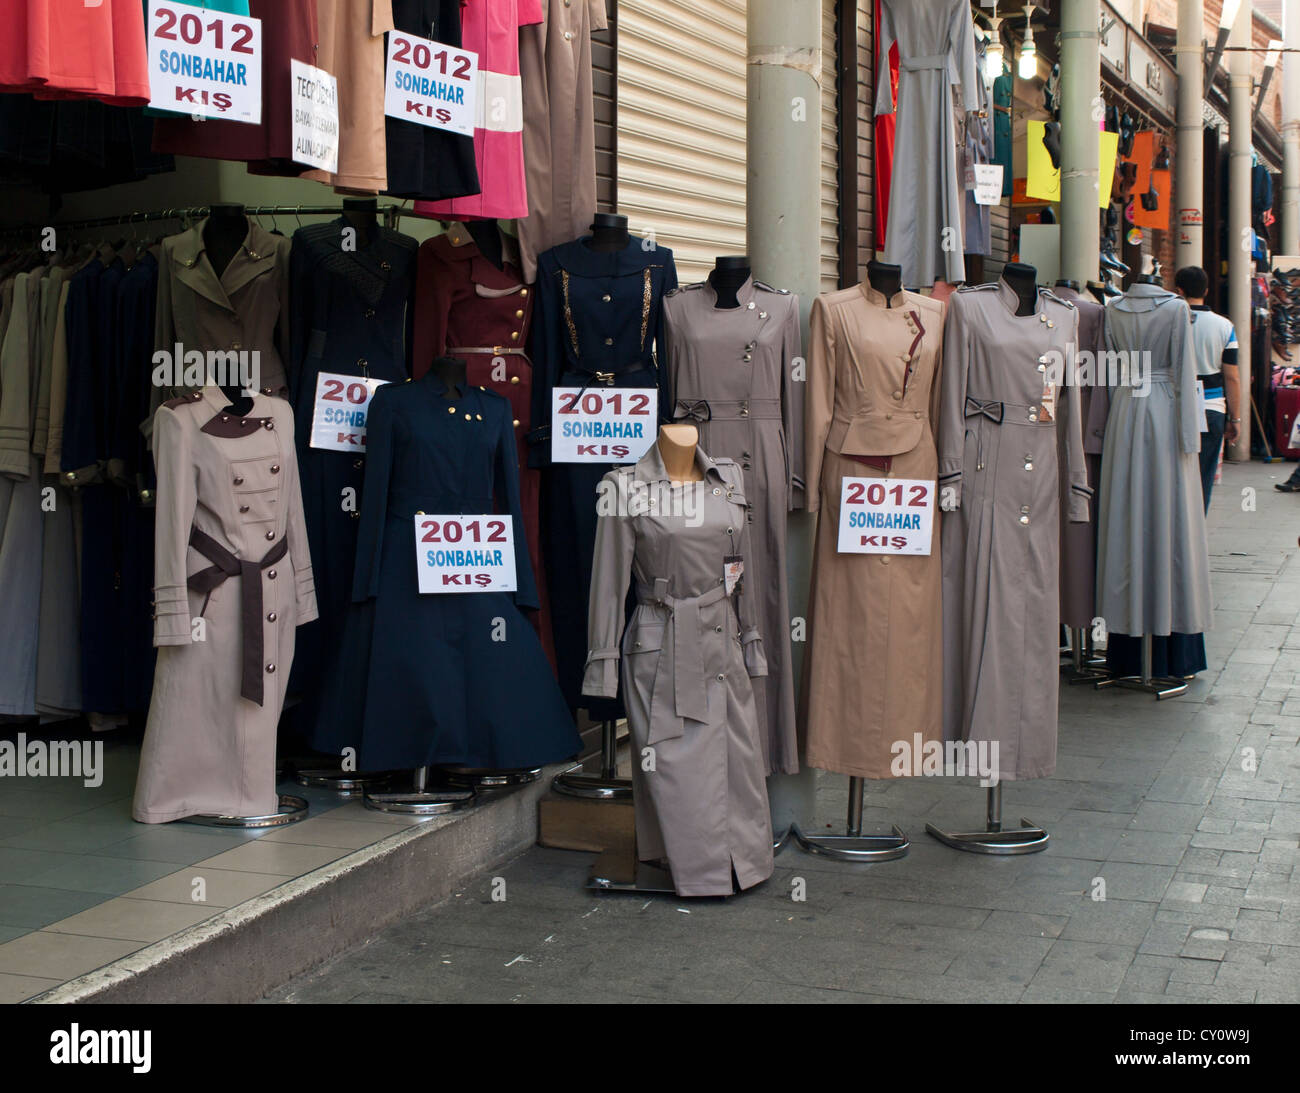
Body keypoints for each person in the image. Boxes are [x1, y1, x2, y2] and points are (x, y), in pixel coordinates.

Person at [1174, 266, 1238, 510]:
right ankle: (1197, 530)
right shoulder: (1224, 326)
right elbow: (1232, 377)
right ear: (1207, 291)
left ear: (1178, 290)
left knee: (1176, 471)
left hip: (1176, 405)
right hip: (1212, 407)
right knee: (1204, 474)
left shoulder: (1171, 321)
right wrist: (1236, 418)